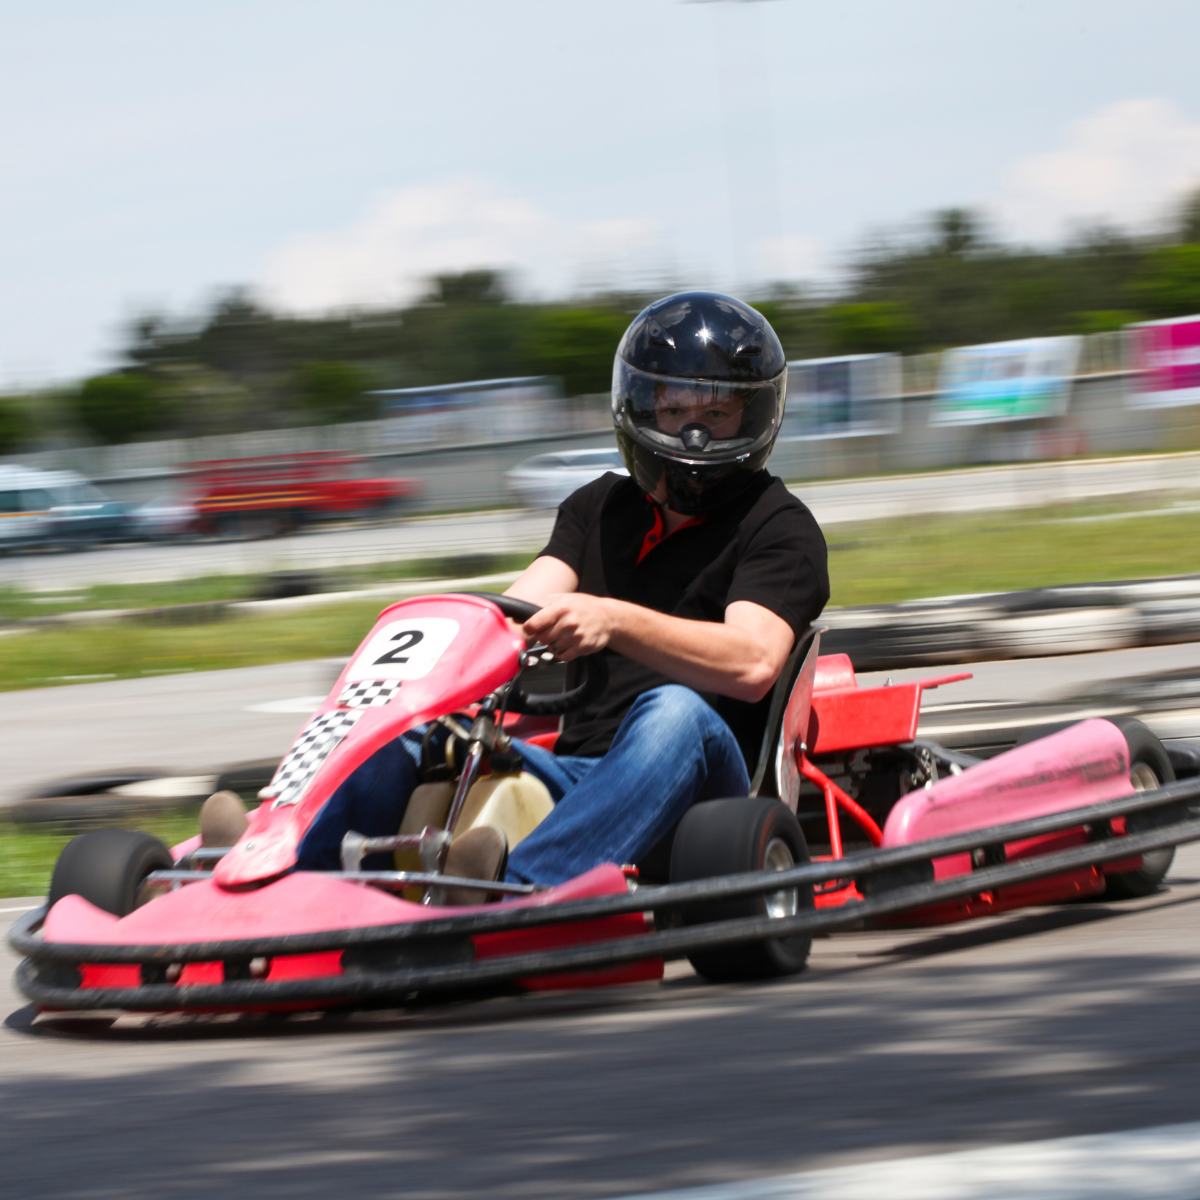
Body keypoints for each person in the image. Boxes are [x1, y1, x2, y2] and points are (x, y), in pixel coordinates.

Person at [202, 291, 830, 891]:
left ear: (751, 415)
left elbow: (752, 662)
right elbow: (515, 611)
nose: (693, 433)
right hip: (579, 776)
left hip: (704, 788)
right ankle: (284, 868)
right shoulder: (598, 509)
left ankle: (514, 889)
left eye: (715, 413)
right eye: (674, 411)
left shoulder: (776, 525)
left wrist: (613, 620)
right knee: (414, 736)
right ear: (642, 410)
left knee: (674, 712)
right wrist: (429, 674)